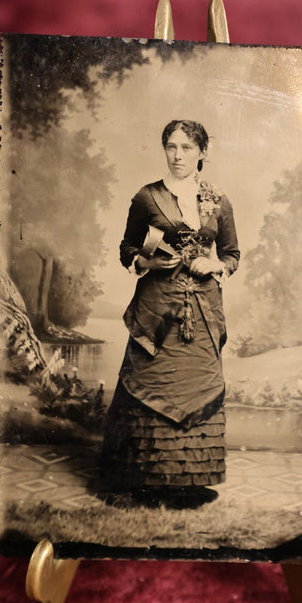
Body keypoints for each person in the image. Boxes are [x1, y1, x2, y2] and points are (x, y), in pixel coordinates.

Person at [101, 120, 239, 498]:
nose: (177, 156)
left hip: (203, 311)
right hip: (156, 310)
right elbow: (127, 248)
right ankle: (140, 481)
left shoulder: (218, 199)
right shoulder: (147, 197)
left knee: (195, 384)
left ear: (202, 153)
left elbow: (231, 254)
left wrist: (215, 265)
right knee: (150, 382)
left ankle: (189, 483)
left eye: (186, 148)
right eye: (171, 147)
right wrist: (147, 264)